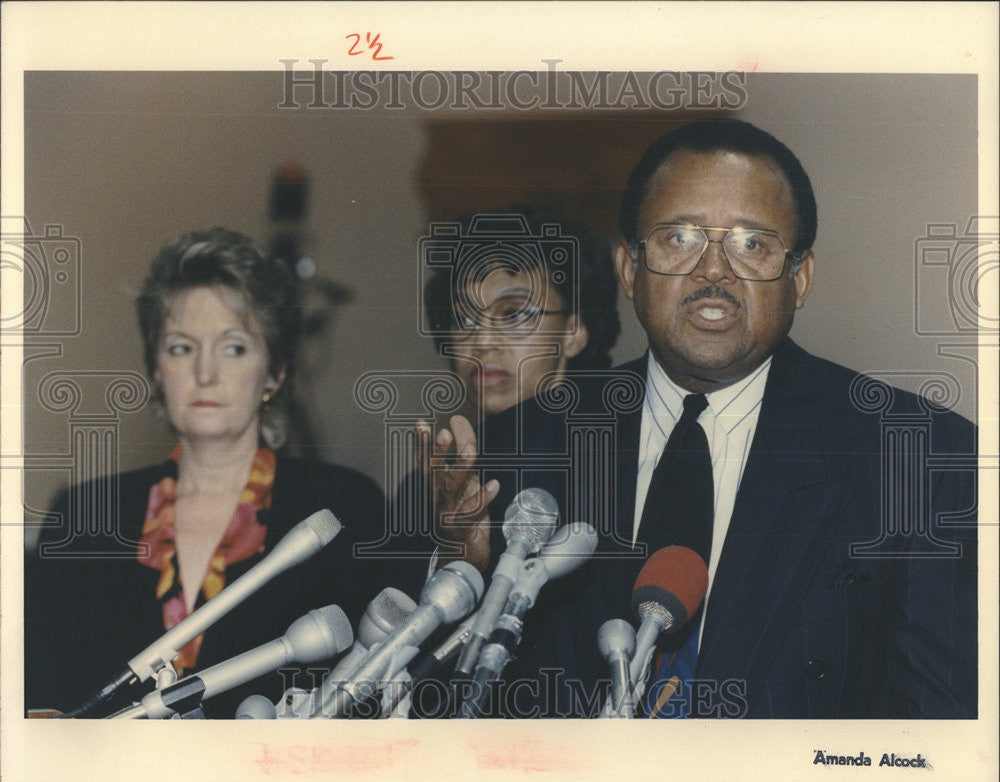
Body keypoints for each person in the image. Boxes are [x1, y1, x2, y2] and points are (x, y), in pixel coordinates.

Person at [417, 119, 977, 718]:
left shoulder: (916, 459)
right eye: (678, 238)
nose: (714, 271)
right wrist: (464, 562)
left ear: (800, 278)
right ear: (630, 271)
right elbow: (445, 716)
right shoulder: (524, 443)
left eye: (752, 244)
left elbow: (935, 738)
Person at [25, 228, 388, 719]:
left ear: (276, 370)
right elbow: (39, 698)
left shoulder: (343, 507)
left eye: (233, 347)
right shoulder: (81, 516)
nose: (205, 374)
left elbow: (367, 698)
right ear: (155, 367)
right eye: (181, 348)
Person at [421, 206, 620, 422]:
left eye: (513, 315)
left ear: (573, 334)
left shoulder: (612, 450)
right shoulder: (459, 454)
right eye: (464, 319)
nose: (483, 342)